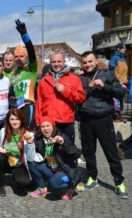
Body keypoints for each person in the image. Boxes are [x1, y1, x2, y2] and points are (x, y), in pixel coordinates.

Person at [79, 51, 128, 199]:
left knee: (111, 152)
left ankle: (119, 182)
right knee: (88, 152)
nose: (88, 65)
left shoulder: (107, 74)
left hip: (103, 119)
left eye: (90, 61)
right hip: (86, 119)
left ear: (95, 61)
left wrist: (104, 86)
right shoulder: (80, 78)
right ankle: (92, 178)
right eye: (85, 62)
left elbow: (120, 92)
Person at [28, 116, 84, 201]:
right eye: (43, 126)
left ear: (53, 126)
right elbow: (31, 156)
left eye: (48, 126)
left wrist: (62, 143)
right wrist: (29, 143)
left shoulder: (61, 136)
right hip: (51, 169)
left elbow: (76, 153)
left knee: (53, 183)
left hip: (66, 171)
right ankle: (43, 189)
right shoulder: (39, 139)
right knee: (32, 164)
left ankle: (71, 186)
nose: (45, 129)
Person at [35, 51, 86, 143]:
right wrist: (39, 120)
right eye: (54, 62)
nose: (56, 64)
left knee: (68, 150)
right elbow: (39, 102)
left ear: (64, 62)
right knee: (50, 153)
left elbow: (81, 98)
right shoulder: (44, 81)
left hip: (66, 122)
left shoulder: (74, 79)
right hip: (49, 123)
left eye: (59, 61)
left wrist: (65, 91)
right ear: (50, 63)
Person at [0, 109, 35, 197]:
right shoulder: (3, 131)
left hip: (19, 164)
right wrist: (0, 148)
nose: (14, 122)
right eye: (12, 119)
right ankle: (1, 184)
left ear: (21, 120)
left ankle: (16, 181)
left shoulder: (28, 134)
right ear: (8, 120)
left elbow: (30, 158)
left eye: (17, 119)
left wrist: (30, 143)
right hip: (6, 161)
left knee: (23, 181)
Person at [109, 43, 128, 122]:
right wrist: (118, 81)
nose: (125, 49)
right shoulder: (114, 58)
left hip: (124, 82)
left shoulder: (123, 58)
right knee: (116, 100)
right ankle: (115, 116)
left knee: (121, 100)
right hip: (117, 83)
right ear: (118, 49)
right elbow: (111, 70)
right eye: (123, 48)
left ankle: (120, 115)